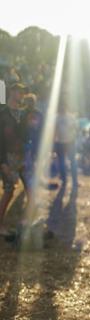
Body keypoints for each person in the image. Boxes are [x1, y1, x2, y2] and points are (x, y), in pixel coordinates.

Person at [0, 82, 28, 235]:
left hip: (21, 157)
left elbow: (24, 137)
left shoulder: (23, 114)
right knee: (9, 191)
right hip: (7, 157)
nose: (22, 95)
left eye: (23, 92)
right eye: (19, 91)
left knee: (30, 188)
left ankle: (26, 226)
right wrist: (2, 162)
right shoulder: (3, 114)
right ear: (11, 92)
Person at [54, 101, 78, 187]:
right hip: (65, 142)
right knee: (69, 161)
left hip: (65, 142)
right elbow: (75, 128)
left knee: (65, 161)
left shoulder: (58, 117)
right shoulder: (69, 117)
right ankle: (70, 180)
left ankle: (68, 180)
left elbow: (75, 128)